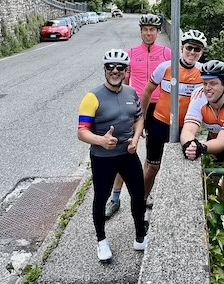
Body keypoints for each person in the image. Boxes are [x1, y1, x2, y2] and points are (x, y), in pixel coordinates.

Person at [77, 49, 147, 262]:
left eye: (120, 68)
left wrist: (135, 139)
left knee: (138, 194)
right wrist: (101, 141)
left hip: (127, 153)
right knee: (101, 197)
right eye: (111, 67)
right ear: (105, 70)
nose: (115, 71)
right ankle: (101, 240)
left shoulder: (131, 93)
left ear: (127, 71)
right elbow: (81, 132)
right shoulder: (92, 97)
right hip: (102, 158)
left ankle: (140, 236)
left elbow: (139, 118)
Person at [105, 14, 171, 219]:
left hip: (160, 107)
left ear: (158, 32)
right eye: (145, 29)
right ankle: (114, 198)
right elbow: (120, 81)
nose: (149, 33)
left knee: (153, 156)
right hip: (135, 106)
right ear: (141, 31)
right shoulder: (131, 53)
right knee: (126, 151)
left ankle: (144, 192)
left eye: (153, 29)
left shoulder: (167, 53)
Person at [141, 29, 207, 206]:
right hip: (160, 123)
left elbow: (221, 90)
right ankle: (142, 198)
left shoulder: (203, 72)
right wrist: (141, 120)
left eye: (197, 49)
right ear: (182, 48)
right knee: (152, 167)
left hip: (186, 128)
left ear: (202, 52)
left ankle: (174, 202)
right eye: (189, 48)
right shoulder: (165, 67)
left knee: (182, 166)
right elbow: (147, 92)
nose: (192, 52)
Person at [180, 60, 224, 200]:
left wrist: (200, 147)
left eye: (213, 83)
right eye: (205, 83)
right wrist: (189, 144)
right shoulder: (199, 96)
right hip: (213, 142)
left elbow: (223, 141)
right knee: (208, 184)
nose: (207, 88)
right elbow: (188, 130)